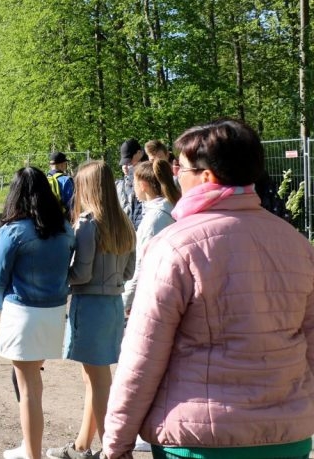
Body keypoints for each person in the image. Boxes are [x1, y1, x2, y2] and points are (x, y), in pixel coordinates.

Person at [101, 120, 314, 459]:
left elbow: (142, 357)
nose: (174, 175)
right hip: (287, 437)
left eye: (179, 168)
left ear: (207, 176)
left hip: (199, 441)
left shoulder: (175, 246)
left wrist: (117, 442)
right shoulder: (298, 245)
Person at [47, 161, 135, 459]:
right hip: (112, 306)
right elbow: (129, 271)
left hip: (90, 306)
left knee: (98, 382)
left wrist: (58, 278)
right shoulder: (124, 222)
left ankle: (114, 450)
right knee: (95, 380)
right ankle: (82, 446)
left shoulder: (87, 224)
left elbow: (81, 274)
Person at [0, 168, 75, 459]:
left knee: (27, 389)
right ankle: (29, 446)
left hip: (22, 312)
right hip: (54, 313)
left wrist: (1, 306)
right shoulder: (65, 228)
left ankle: (32, 454)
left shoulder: (12, 231)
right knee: (33, 385)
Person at [121, 158, 179, 317]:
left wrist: (125, 301)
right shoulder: (166, 209)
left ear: (143, 185)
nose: (133, 190)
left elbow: (142, 265)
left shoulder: (155, 219)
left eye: (133, 184)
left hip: (156, 297)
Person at [115, 139, 144, 228]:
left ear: (139, 153)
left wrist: (134, 173)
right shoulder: (119, 183)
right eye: (125, 162)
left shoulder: (151, 171)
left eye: (129, 160)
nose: (127, 165)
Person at [46, 152, 75, 219]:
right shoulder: (66, 180)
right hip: (63, 219)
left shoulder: (43, 179)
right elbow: (72, 204)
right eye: (65, 163)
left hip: (46, 219)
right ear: (62, 164)